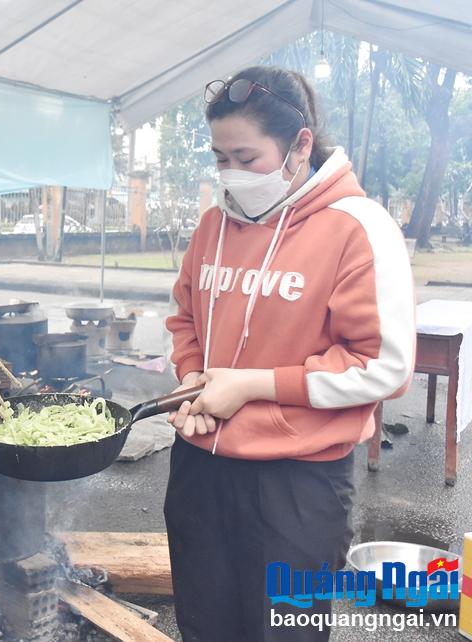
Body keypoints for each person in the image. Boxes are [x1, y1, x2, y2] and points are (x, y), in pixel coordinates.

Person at [164, 66, 415, 641]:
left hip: (299, 480)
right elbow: (185, 318)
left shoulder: (358, 228)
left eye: (246, 158)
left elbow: (381, 364)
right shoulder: (212, 225)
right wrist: (193, 378)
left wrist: (251, 384)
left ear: (300, 144)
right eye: (219, 157)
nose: (231, 173)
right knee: (204, 624)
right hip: (200, 468)